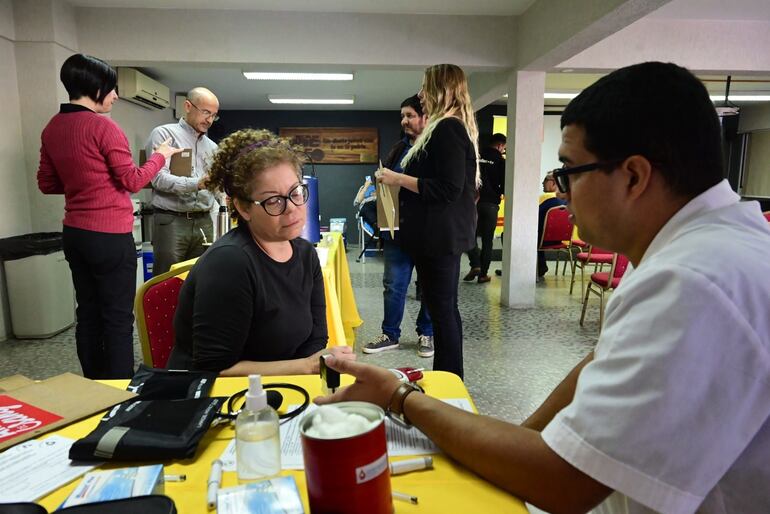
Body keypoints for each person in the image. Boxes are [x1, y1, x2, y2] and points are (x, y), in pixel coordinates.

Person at [319, 62, 770, 513]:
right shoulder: (685, 247)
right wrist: (524, 433)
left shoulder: (695, 283)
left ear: (634, 176)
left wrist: (400, 397)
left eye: (570, 170)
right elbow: (603, 358)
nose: (559, 190)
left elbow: (564, 483)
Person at [37, 53, 181, 379]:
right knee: (117, 317)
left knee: (88, 313)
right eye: (112, 89)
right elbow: (132, 180)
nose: (115, 96)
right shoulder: (103, 127)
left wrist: (85, 184)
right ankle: (117, 391)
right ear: (96, 86)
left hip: (75, 234)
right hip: (110, 236)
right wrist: (160, 156)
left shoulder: (53, 127)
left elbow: (47, 183)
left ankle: (93, 383)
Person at [167, 129, 355, 375]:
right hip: (217, 396)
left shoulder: (305, 253)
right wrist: (306, 366)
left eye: (296, 192)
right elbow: (213, 369)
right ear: (243, 208)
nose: (292, 209)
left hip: (282, 387)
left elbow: (316, 338)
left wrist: (307, 368)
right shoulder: (230, 263)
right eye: (273, 200)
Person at [376, 66, 479, 379]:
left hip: (440, 237)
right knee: (443, 309)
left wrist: (397, 178)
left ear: (440, 89)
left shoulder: (448, 128)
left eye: (425, 87)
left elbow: (448, 188)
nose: (421, 94)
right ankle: (448, 375)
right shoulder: (444, 128)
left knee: (443, 311)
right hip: (434, 236)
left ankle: (450, 378)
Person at [362, 95, 434, 358]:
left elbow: (435, 187)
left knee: (428, 285)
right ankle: (390, 334)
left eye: (410, 115)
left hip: (427, 231)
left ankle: (427, 333)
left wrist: (397, 179)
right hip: (397, 230)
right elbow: (386, 180)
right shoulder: (398, 148)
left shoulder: (435, 149)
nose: (404, 120)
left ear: (426, 117)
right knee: (393, 285)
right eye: (402, 116)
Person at [144, 87, 220, 276]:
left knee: (201, 278)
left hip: (204, 221)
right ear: (188, 106)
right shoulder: (164, 135)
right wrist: (197, 183)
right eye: (206, 113)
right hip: (172, 221)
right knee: (166, 280)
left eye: (214, 115)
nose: (209, 120)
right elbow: (157, 178)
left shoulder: (213, 147)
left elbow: (216, 186)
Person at [464, 133, 506, 283]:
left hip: (472, 202)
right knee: (488, 240)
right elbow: (505, 183)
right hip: (491, 204)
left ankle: (475, 264)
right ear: (500, 145)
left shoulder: (476, 157)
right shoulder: (501, 161)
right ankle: (483, 274)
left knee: (469, 234)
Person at [537, 171, 567, 278]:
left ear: (554, 182)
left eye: (545, 180)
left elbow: (533, 217)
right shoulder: (567, 203)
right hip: (558, 240)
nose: (542, 183)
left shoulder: (546, 199)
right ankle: (540, 266)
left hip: (541, 240)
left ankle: (514, 269)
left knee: (507, 235)